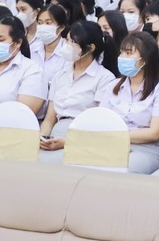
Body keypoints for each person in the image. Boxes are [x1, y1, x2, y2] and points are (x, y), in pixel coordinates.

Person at [104, 29, 159, 173]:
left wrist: (117, 134)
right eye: (122, 52)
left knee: (122, 170)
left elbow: (154, 133)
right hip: (112, 144)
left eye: (129, 53)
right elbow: (102, 120)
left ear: (145, 59)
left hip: (147, 149)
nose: (122, 57)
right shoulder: (113, 86)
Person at [37, 21, 112, 152]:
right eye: (67, 41)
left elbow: (100, 122)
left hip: (84, 137)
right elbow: (49, 119)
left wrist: (67, 142)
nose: (67, 46)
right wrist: (42, 138)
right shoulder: (60, 75)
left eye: (72, 42)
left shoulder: (104, 78)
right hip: (55, 134)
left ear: (90, 48)